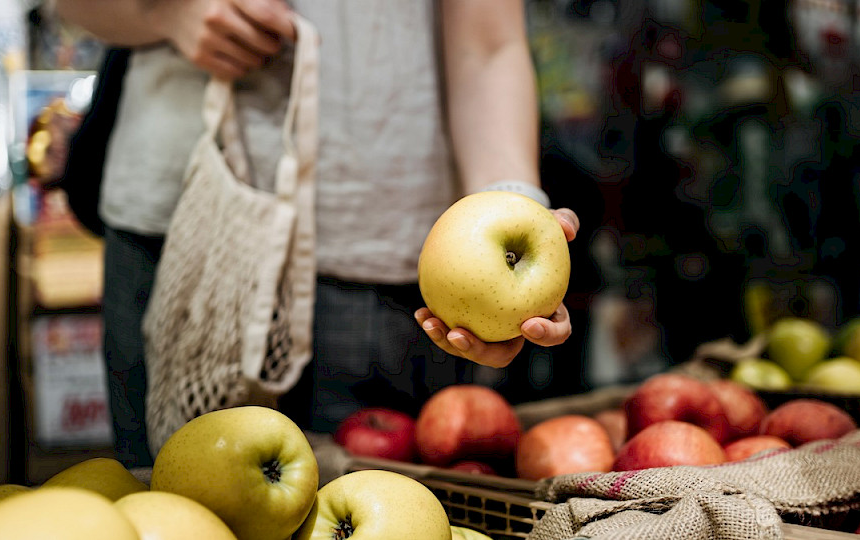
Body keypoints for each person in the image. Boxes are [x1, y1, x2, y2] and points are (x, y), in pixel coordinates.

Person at [53, 0, 581, 468]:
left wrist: (514, 203)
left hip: (382, 257)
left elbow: (488, 45)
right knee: (171, 511)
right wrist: (165, 11)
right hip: (180, 246)